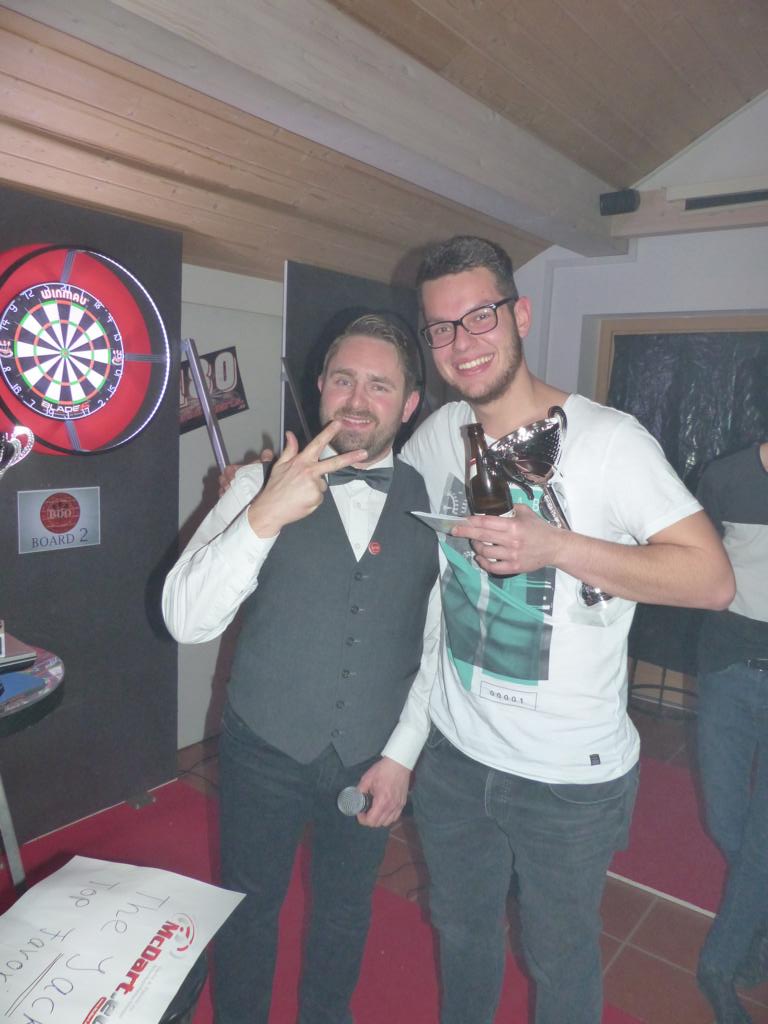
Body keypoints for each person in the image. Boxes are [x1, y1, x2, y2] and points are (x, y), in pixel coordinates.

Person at [391, 235, 735, 1024]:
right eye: (441, 328)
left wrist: (557, 547)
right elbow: (384, 507)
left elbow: (711, 579)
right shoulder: (439, 435)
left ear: (520, 315)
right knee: (462, 934)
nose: (462, 342)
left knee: (561, 961)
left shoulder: (609, 442)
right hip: (455, 756)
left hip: (567, 780)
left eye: (479, 317)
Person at [162, 313, 439, 1024]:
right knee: (249, 909)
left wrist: (403, 756)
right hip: (265, 746)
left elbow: (437, 644)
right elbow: (185, 618)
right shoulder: (255, 484)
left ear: (409, 404)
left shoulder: (437, 503)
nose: (357, 399)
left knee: (345, 912)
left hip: (371, 755)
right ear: (319, 388)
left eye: (380, 385)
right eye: (344, 379)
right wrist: (264, 515)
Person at [695, 440, 768, 1024]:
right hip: (727, 668)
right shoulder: (725, 478)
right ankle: (757, 917)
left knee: (764, 837)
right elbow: (695, 562)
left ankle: (718, 965)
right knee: (725, 819)